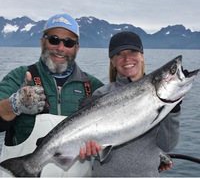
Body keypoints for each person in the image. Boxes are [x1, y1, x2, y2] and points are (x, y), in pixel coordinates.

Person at [0, 14, 104, 177]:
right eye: (54, 40)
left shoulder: (93, 86)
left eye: (69, 42)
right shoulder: (20, 76)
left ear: (77, 48)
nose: (60, 48)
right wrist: (15, 104)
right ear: (42, 42)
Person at [79, 31, 180, 177]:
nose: (127, 58)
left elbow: (168, 145)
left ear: (142, 56)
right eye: (119, 54)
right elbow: (93, 145)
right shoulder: (102, 95)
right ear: (112, 62)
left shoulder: (159, 96)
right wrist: (92, 150)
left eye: (133, 51)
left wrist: (173, 110)